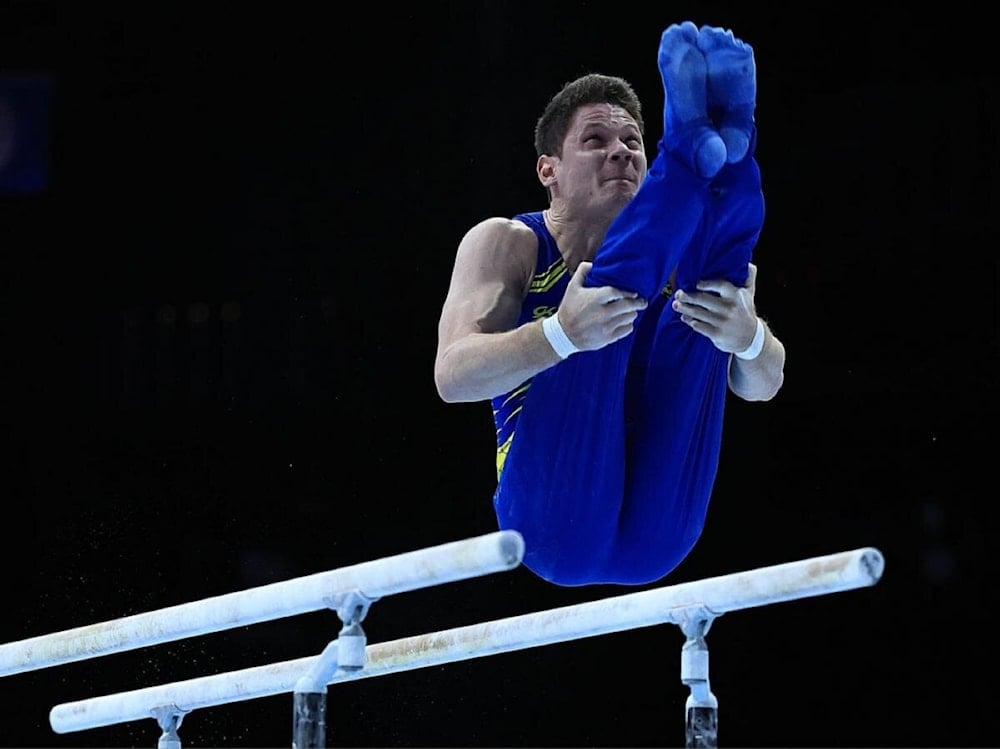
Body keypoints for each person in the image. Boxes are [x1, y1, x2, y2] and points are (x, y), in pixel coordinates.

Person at [434, 21, 786, 587]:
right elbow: (452, 377)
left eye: (631, 143)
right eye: (595, 141)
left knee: (708, 301)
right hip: (552, 527)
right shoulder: (508, 242)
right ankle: (695, 145)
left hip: (663, 534)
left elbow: (762, 383)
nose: (619, 153)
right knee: (606, 301)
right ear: (547, 169)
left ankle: (727, 146)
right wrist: (560, 334)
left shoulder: (682, 256)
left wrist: (748, 338)